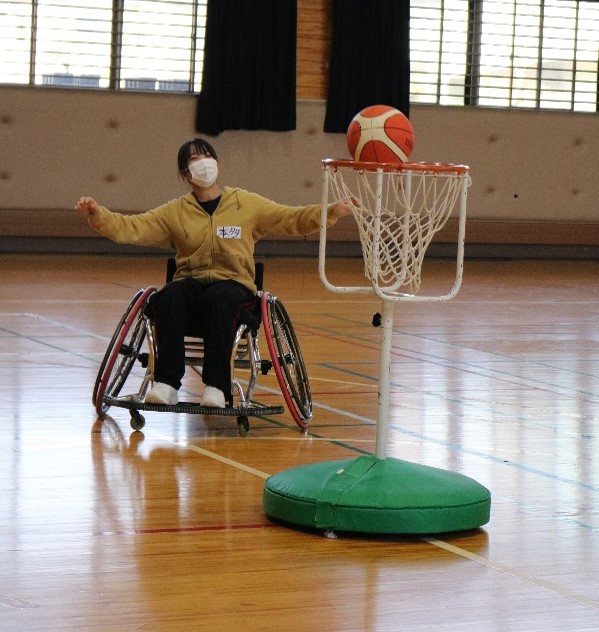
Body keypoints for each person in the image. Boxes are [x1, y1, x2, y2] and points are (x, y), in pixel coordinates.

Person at [75, 138, 351, 408]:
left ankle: (217, 387)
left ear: (216, 164)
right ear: (185, 174)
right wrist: (98, 214)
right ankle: (166, 384)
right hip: (192, 285)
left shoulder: (246, 204)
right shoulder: (176, 212)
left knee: (219, 298)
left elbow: (291, 218)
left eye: (206, 156)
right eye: (194, 159)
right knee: (169, 295)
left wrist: (331, 211)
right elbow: (131, 227)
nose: (203, 163)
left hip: (234, 287)